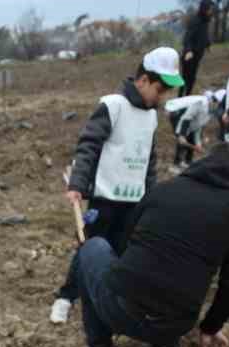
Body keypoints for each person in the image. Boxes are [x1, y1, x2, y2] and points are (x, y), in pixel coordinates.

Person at [64, 145, 229, 347]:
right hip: (176, 324)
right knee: (180, 281)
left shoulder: (163, 190)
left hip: (120, 309)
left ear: (203, 162)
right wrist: (210, 327)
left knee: (93, 247)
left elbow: (124, 245)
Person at [50, 48, 182, 327]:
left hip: (133, 202)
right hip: (105, 199)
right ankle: (66, 297)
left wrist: (150, 197)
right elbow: (89, 145)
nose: (162, 97)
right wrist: (77, 184)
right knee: (88, 249)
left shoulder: (151, 117)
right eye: (160, 89)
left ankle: (105, 296)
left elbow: (149, 160)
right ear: (143, 80)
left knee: (121, 252)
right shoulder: (113, 106)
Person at [182, 0, 213, 90]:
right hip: (189, 56)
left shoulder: (205, 21)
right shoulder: (195, 21)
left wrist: (208, 45)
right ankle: (180, 98)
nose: (211, 11)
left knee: (192, 78)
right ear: (204, 9)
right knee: (185, 79)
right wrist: (188, 50)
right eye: (209, 9)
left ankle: (187, 96)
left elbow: (204, 35)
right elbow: (188, 37)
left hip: (197, 55)